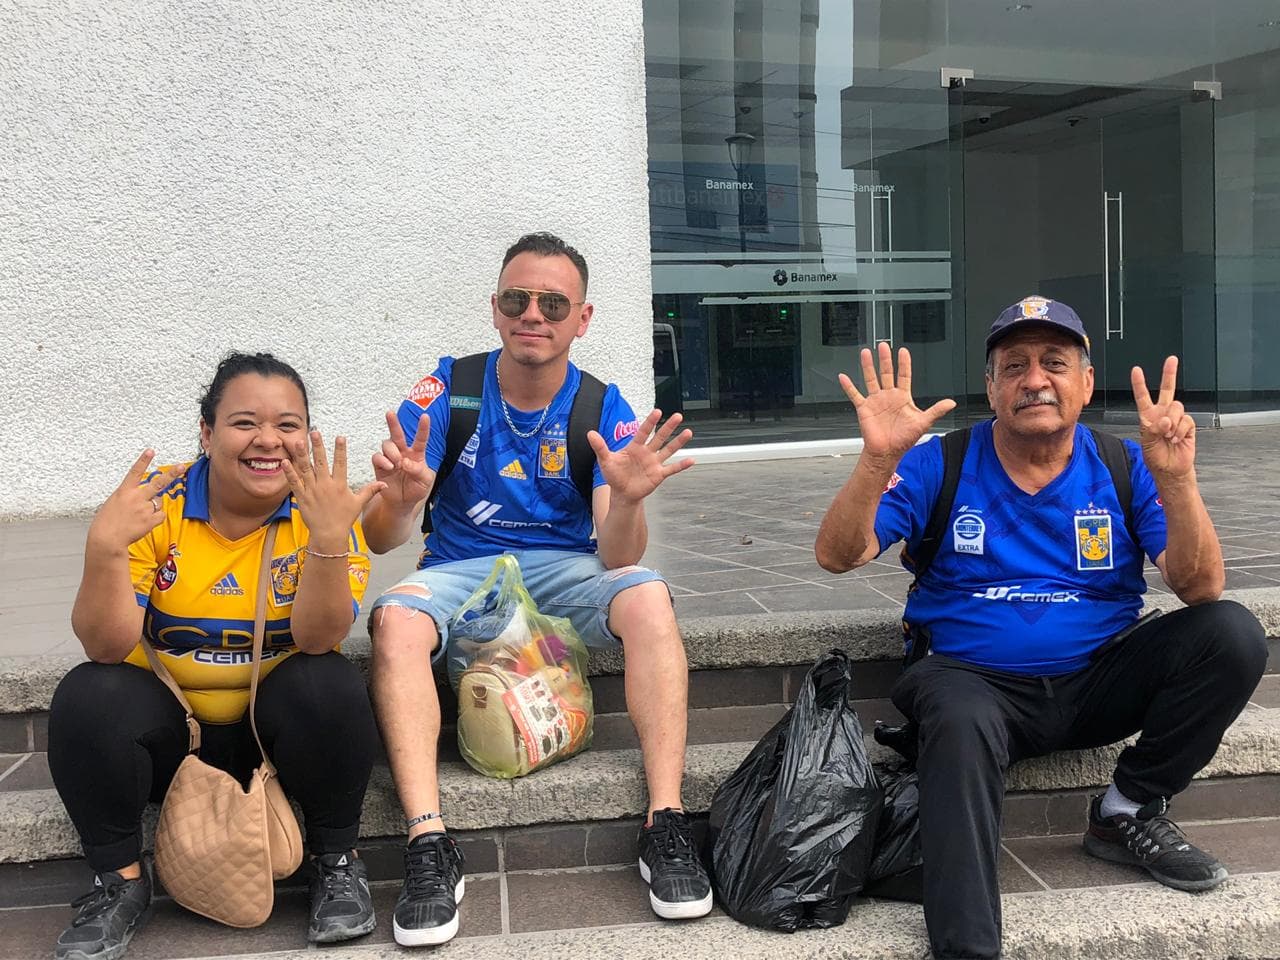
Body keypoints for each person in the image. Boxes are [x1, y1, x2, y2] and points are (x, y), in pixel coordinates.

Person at [814, 297, 1267, 960]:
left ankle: (1127, 812)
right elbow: (837, 555)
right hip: (973, 685)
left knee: (1232, 633)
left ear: (1085, 383)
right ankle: (968, 949)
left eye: (1055, 363)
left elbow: (1199, 587)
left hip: (1096, 682)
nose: (1035, 379)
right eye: (1014, 365)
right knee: (960, 715)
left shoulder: (1121, 464)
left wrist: (1178, 482)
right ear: (992, 387)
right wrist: (878, 462)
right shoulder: (941, 462)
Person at [362, 232, 711, 947]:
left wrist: (631, 500)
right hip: (461, 568)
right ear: (495, 308)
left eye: (554, 303)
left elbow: (617, 556)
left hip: (559, 569)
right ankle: (429, 842)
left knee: (647, 594)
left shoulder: (602, 407)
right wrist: (401, 499)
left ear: (582, 319)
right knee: (394, 621)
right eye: (518, 299)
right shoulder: (449, 388)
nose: (534, 314)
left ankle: (666, 822)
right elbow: (377, 539)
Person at [48, 352, 386, 959]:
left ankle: (336, 860)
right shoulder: (161, 504)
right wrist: (104, 548)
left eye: (288, 425)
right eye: (243, 422)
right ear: (207, 433)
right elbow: (104, 643)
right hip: (173, 738)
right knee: (88, 692)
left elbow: (315, 637)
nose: (267, 441)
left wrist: (331, 543)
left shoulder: (324, 509)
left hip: (270, 733)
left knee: (327, 682)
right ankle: (118, 882)